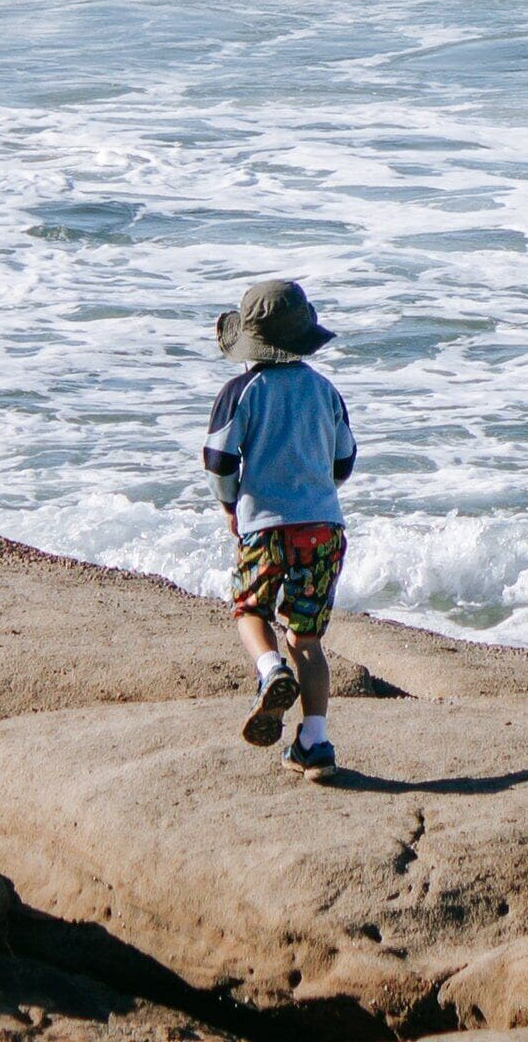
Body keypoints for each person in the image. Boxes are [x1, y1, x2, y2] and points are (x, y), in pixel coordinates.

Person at [201, 277, 355, 772]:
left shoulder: (241, 391)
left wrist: (230, 506)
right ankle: (315, 742)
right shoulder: (325, 391)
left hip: (264, 527)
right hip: (322, 527)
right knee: (306, 637)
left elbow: (219, 460)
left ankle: (270, 673)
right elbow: (344, 461)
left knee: (250, 610)